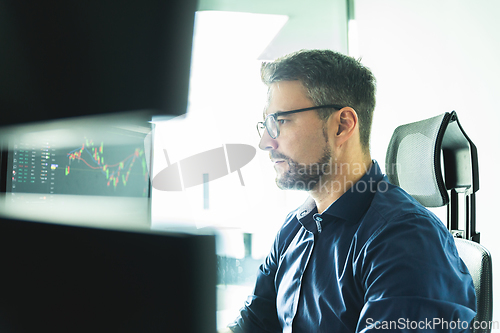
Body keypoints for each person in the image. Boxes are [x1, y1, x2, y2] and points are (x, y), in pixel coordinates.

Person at [222, 49, 476, 332]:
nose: (265, 143)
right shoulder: (294, 228)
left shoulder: (405, 239)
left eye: (279, 121)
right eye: (265, 125)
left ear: (342, 125)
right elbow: (254, 322)